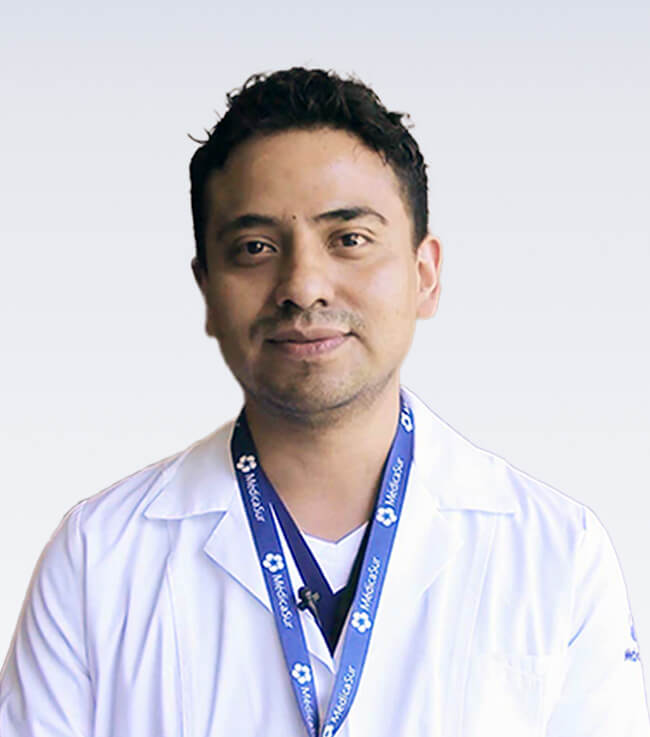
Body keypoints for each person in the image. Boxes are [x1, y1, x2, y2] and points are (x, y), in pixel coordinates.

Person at [0, 66, 648, 737]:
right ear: (207, 291)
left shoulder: (558, 555)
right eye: (255, 247)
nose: (303, 285)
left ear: (425, 276)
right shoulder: (98, 557)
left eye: (349, 240)